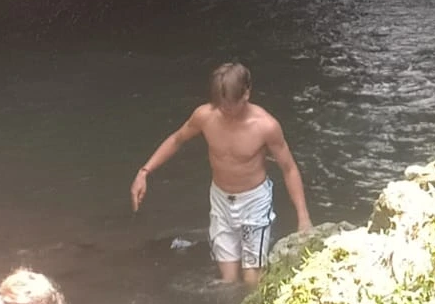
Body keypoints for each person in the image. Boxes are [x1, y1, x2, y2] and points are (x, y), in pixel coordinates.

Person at [130, 62, 312, 285]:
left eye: (230, 105)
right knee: (227, 280)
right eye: (220, 104)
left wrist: (303, 217)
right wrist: (144, 172)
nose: (224, 110)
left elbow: (289, 168)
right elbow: (177, 139)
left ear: (246, 93)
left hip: (254, 201)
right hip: (220, 199)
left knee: (252, 279)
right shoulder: (205, 116)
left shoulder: (266, 126)